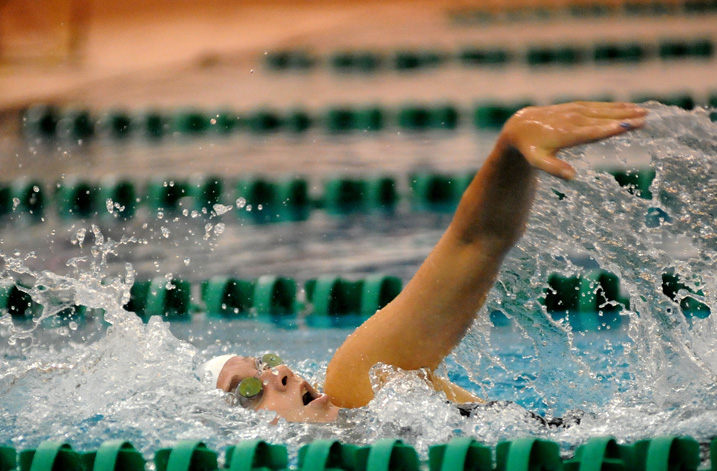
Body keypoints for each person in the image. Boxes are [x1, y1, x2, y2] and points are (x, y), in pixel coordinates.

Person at [202, 102, 649, 423]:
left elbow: (475, 243)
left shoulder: (359, 382)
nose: (279, 373)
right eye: (249, 391)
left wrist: (510, 149)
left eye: (265, 363)